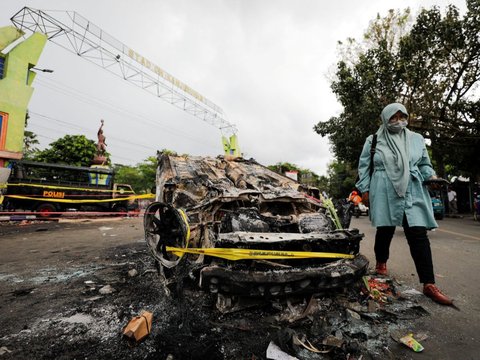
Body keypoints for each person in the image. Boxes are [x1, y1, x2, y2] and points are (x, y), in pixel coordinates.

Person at [356, 103, 452, 305]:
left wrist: (431, 176)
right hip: (384, 188)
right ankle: (381, 263)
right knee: (385, 229)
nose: (398, 121)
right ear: (385, 118)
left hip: (413, 188)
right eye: (393, 117)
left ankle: (429, 284)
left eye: (402, 117)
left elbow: (425, 164)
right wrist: (364, 189)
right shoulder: (373, 140)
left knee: (418, 233)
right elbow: (364, 166)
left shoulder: (416, 139)